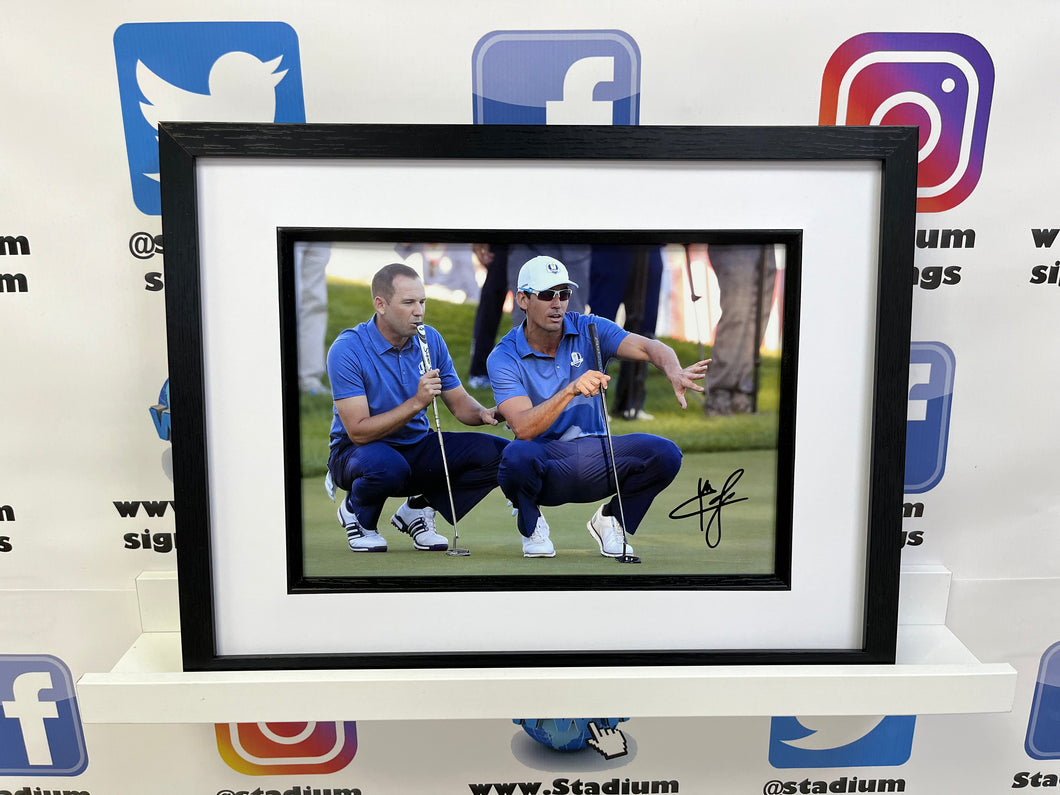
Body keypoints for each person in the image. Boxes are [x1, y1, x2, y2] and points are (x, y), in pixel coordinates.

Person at [486, 255, 711, 558]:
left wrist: (673, 368)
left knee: (665, 454)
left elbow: (649, 346)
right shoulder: (504, 355)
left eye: (564, 294)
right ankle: (532, 524)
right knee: (514, 456)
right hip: (546, 465)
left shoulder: (590, 329)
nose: (558, 304)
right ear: (523, 299)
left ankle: (611, 520)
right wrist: (570, 390)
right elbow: (523, 427)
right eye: (546, 295)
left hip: (596, 456)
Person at [326, 263, 508, 552]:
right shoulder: (348, 348)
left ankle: (418, 510)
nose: (419, 311)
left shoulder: (429, 339)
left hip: (415, 446)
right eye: (408, 302)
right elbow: (358, 432)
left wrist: (483, 413)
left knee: (502, 455)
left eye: (422, 302)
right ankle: (357, 513)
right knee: (388, 467)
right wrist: (416, 403)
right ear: (381, 305)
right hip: (356, 452)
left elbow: (460, 404)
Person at [702, 244, 778, 416]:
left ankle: (740, 391)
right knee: (738, 310)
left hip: (766, 237)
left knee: (758, 313)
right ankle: (720, 393)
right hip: (734, 239)